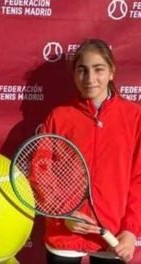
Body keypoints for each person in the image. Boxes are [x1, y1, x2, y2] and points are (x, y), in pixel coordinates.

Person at [41, 39, 141, 264]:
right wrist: (63, 215)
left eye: (99, 69)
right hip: (64, 231)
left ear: (112, 72)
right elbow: (41, 172)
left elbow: (139, 179)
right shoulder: (58, 116)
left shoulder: (135, 117)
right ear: (74, 74)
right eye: (82, 70)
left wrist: (131, 230)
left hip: (112, 233)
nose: (90, 79)